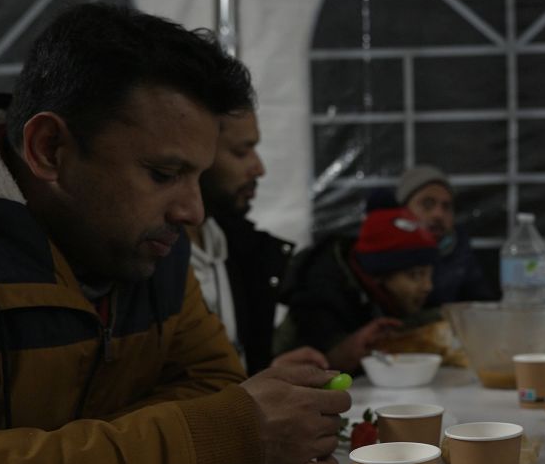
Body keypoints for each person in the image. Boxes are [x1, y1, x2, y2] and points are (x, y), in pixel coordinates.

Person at [0, 4, 349, 464]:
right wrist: (215, 438)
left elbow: (211, 383)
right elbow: (217, 415)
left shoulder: (146, 250)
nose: (193, 211)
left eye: (199, 177)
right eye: (163, 174)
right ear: (49, 150)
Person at [187, 108, 327, 374]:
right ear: (196, 154)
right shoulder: (151, 261)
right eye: (241, 152)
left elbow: (225, 377)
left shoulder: (233, 247)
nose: (259, 168)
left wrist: (267, 373)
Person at [276, 207, 439, 373]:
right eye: (415, 275)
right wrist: (343, 352)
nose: (428, 286)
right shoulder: (318, 299)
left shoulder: (383, 296)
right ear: (379, 275)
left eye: (429, 274)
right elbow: (314, 364)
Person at [395, 164, 497, 305]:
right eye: (427, 204)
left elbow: (481, 302)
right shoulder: (388, 252)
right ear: (403, 210)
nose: (438, 215)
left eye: (446, 207)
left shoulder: (458, 247)